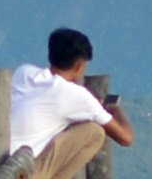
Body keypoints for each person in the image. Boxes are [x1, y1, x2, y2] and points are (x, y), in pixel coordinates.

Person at [7, 28, 134, 169]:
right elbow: (126, 138)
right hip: (20, 173)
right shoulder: (78, 95)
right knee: (94, 132)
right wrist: (114, 109)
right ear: (80, 66)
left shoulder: (24, 72)